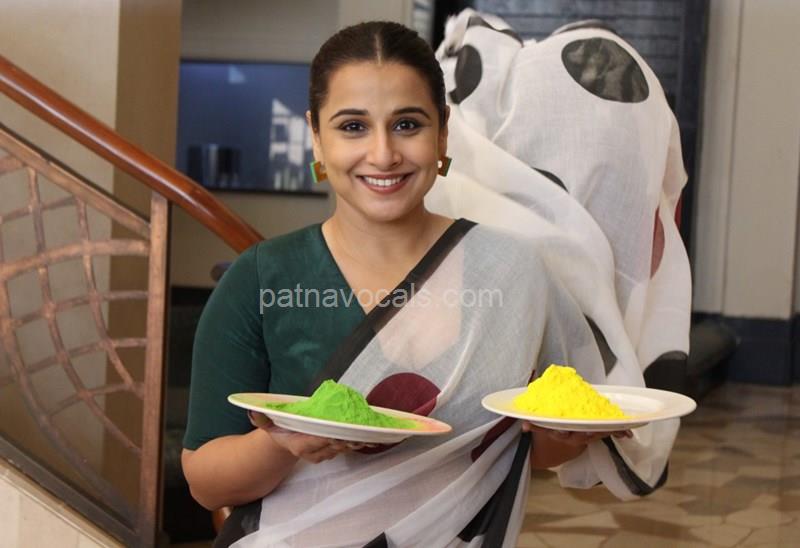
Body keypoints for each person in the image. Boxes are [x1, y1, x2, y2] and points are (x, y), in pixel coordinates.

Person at [182, 18, 682, 548]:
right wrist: (284, 443)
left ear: (442, 132)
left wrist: (565, 435)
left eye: (407, 124)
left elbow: (527, 452)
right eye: (352, 127)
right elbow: (206, 484)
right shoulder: (262, 279)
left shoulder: (511, 270)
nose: (383, 154)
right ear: (317, 137)